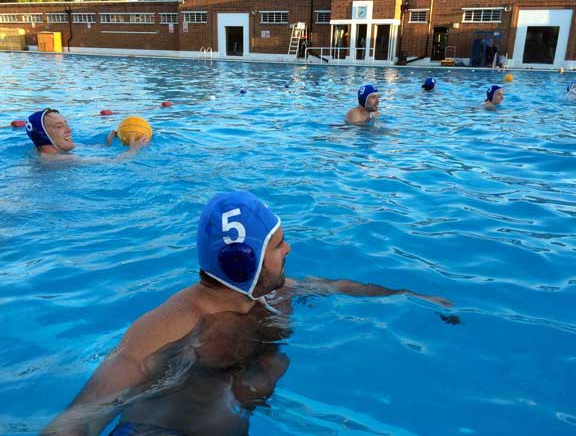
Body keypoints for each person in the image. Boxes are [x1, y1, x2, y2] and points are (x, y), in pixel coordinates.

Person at [42, 190, 452, 436]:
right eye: (277, 245)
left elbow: (341, 287)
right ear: (244, 261)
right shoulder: (169, 325)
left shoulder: (276, 293)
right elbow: (81, 416)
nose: (289, 250)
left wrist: (409, 295)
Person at [25, 108, 146, 161]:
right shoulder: (64, 159)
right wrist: (133, 150)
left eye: (66, 123)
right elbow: (113, 162)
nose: (69, 129)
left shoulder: (41, 153)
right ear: (44, 136)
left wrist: (109, 141)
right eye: (59, 126)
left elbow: (99, 151)